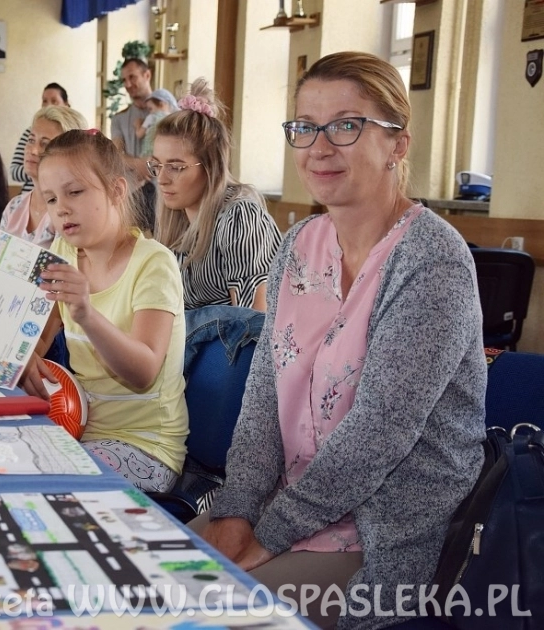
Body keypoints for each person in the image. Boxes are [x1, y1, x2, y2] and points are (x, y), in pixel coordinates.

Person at [194, 52, 486, 629]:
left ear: (398, 144)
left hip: (381, 537)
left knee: (207, 617)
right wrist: (235, 511)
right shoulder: (299, 243)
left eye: (346, 126)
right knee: (139, 584)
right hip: (286, 506)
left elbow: (377, 437)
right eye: (305, 128)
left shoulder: (431, 261)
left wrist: (267, 534)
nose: (319, 148)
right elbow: (263, 400)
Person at [20, 129, 189, 493]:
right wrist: (23, 356)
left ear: (116, 190)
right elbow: (37, 335)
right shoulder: (63, 254)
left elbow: (143, 371)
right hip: (78, 430)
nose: (61, 207)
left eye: (75, 192)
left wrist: (86, 314)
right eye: (50, 199)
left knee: (48, 483)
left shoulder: (154, 263)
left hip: (146, 448)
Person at [152, 79, 281, 311]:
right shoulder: (176, 220)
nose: (161, 179)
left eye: (176, 166)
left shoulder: (240, 217)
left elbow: (253, 324)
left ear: (210, 167)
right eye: (157, 165)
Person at [0, 106, 88, 248]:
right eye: (31, 140)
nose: (33, 150)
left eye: (45, 144)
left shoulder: (69, 212)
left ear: (69, 153)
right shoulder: (13, 208)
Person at [111, 58, 156, 233]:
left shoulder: (169, 112)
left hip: (166, 194)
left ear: (147, 75)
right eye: (124, 80)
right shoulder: (119, 118)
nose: (128, 84)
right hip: (132, 196)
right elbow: (115, 155)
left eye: (132, 77)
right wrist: (139, 164)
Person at [10, 83, 69, 195]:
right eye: (44, 101)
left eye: (54, 101)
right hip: (29, 194)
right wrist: (35, 168)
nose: (48, 105)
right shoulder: (30, 132)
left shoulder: (74, 134)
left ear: (66, 104)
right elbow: (14, 171)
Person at [135, 88, 177, 157]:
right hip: (166, 151)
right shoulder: (172, 118)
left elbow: (139, 134)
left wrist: (137, 124)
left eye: (150, 108)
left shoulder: (151, 117)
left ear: (161, 104)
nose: (149, 112)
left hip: (150, 151)